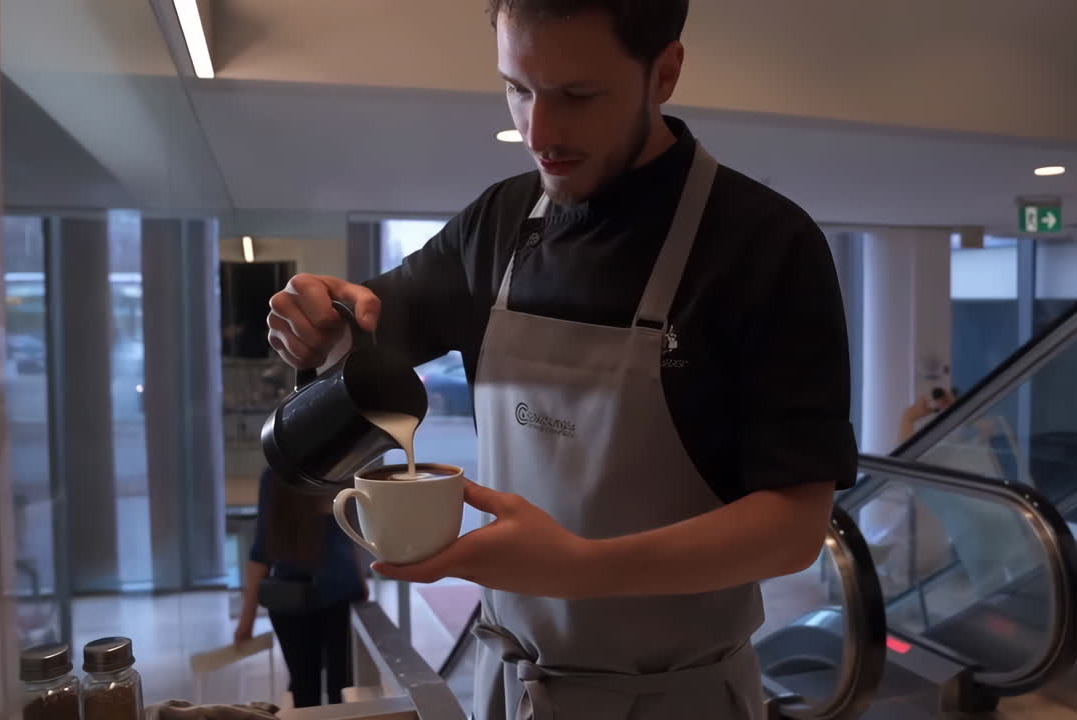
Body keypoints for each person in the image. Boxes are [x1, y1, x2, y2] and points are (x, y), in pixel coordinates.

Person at [265, 2, 856, 717]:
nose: (537, 132)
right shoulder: (498, 225)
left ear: (663, 72)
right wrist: (318, 324)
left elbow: (794, 526)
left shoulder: (765, 246)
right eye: (518, 88)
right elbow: (365, 330)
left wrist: (582, 568)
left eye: (577, 95)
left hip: (677, 696)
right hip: (511, 685)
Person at [234, 468, 368, 708]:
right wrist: (360, 580)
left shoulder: (278, 474)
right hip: (336, 593)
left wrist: (248, 617)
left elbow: (261, 550)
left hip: (296, 598)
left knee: (307, 687)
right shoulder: (342, 469)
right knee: (342, 686)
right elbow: (351, 534)